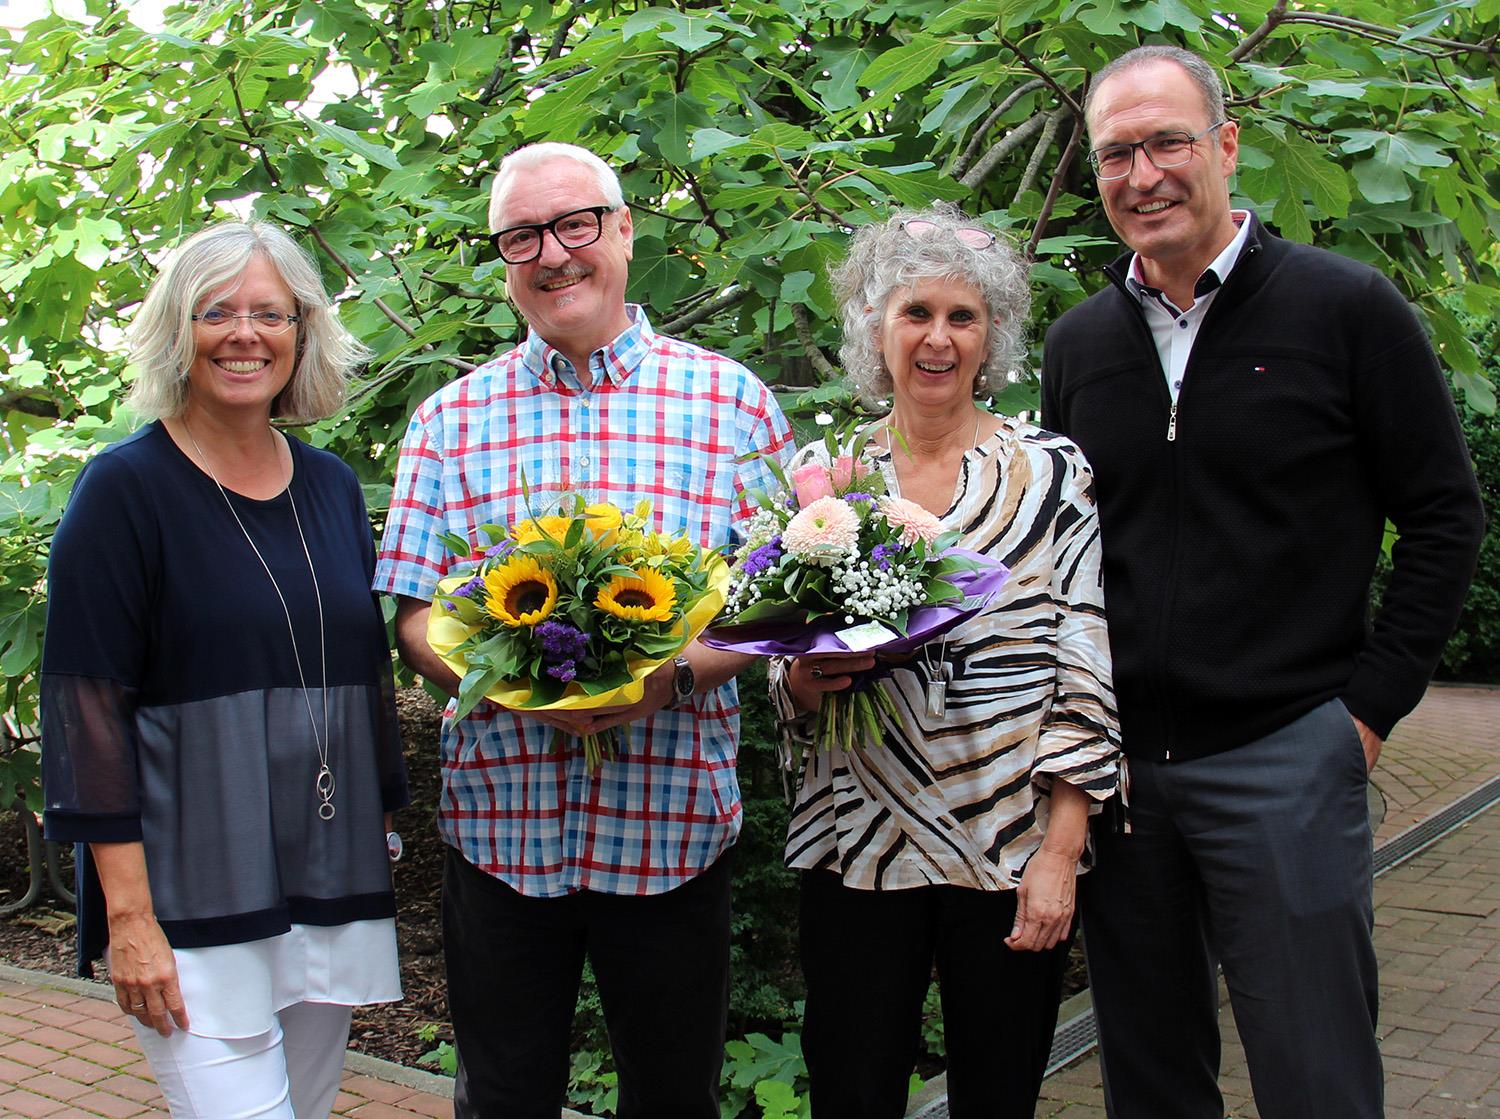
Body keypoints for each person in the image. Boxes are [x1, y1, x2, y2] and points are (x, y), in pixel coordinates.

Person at [1040, 44, 1486, 1119]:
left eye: (1167, 142)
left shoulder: (1346, 309)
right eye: (1116, 154)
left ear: (1227, 146)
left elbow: (1443, 514)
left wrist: (1365, 715)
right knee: (1149, 1078)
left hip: (1289, 754)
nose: (1142, 174)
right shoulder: (1079, 345)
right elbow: (1062, 556)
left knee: (1317, 1075)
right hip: (1126, 778)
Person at [374, 141, 793, 1119]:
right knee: (505, 1097)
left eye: (575, 225)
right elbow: (413, 613)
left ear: (623, 230)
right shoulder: (448, 422)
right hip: (502, 825)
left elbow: (778, 602)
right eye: (523, 236)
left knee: (672, 1094)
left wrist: (671, 677)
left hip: (671, 825)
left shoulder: (731, 404)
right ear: (504, 257)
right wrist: (523, 689)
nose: (553, 254)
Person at [41, 221, 408, 1118]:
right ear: (178, 330)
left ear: (303, 332)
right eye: (217, 312)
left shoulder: (329, 486)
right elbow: (86, 709)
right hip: (189, 891)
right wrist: (129, 919)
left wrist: (382, 826)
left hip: (324, 874)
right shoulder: (123, 490)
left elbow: (360, 675)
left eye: (270, 314)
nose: (245, 334)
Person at [769, 205, 1121, 1118]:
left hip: (1004, 841)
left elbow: (1085, 663)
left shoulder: (1051, 471)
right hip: (857, 845)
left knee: (998, 1096)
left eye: (962, 317)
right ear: (873, 330)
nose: (938, 338)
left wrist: (1062, 848)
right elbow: (785, 660)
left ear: (991, 335)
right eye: (914, 312)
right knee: (850, 1090)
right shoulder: (827, 475)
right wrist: (801, 682)